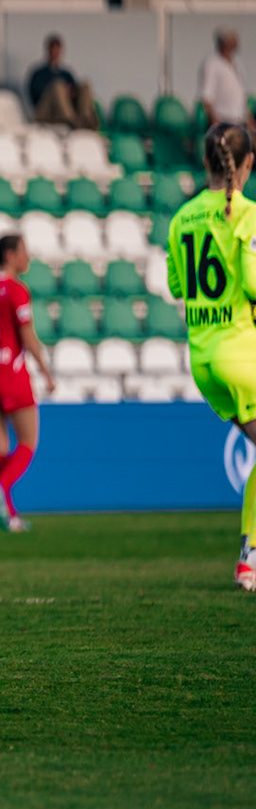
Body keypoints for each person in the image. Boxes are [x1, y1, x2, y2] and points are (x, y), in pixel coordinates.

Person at [166, 122, 256, 589]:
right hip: (243, 354)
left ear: (204, 163)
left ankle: (250, 560)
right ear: (247, 165)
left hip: (203, 360)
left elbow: (177, 286)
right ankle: (250, 554)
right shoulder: (246, 214)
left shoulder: (182, 218)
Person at [0, 235, 56, 534]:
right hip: (9, 372)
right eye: (24, 252)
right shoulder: (17, 290)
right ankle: (0, 487)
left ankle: (8, 515)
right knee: (28, 443)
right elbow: (27, 336)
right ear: (10, 255)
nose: (27, 257)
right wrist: (45, 372)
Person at [25, 34, 99, 131]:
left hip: (64, 111)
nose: (55, 53)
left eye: (57, 50)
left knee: (85, 85)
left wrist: (69, 92)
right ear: (48, 51)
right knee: (58, 86)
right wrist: (61, 91)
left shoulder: (66, 74)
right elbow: (35, 96)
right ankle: (74, 122)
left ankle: (87, 119)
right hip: (46, 113)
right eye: (53, 50)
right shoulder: (38, 73)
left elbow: (75, 93)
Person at [199, 29, 250, 130]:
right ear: (225, 43)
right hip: (222, 121)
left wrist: (248, 118)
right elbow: (207, 97)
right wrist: (214, 120)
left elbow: (240, 94)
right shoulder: (212, 64)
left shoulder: (236, 64)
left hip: (239, 121)